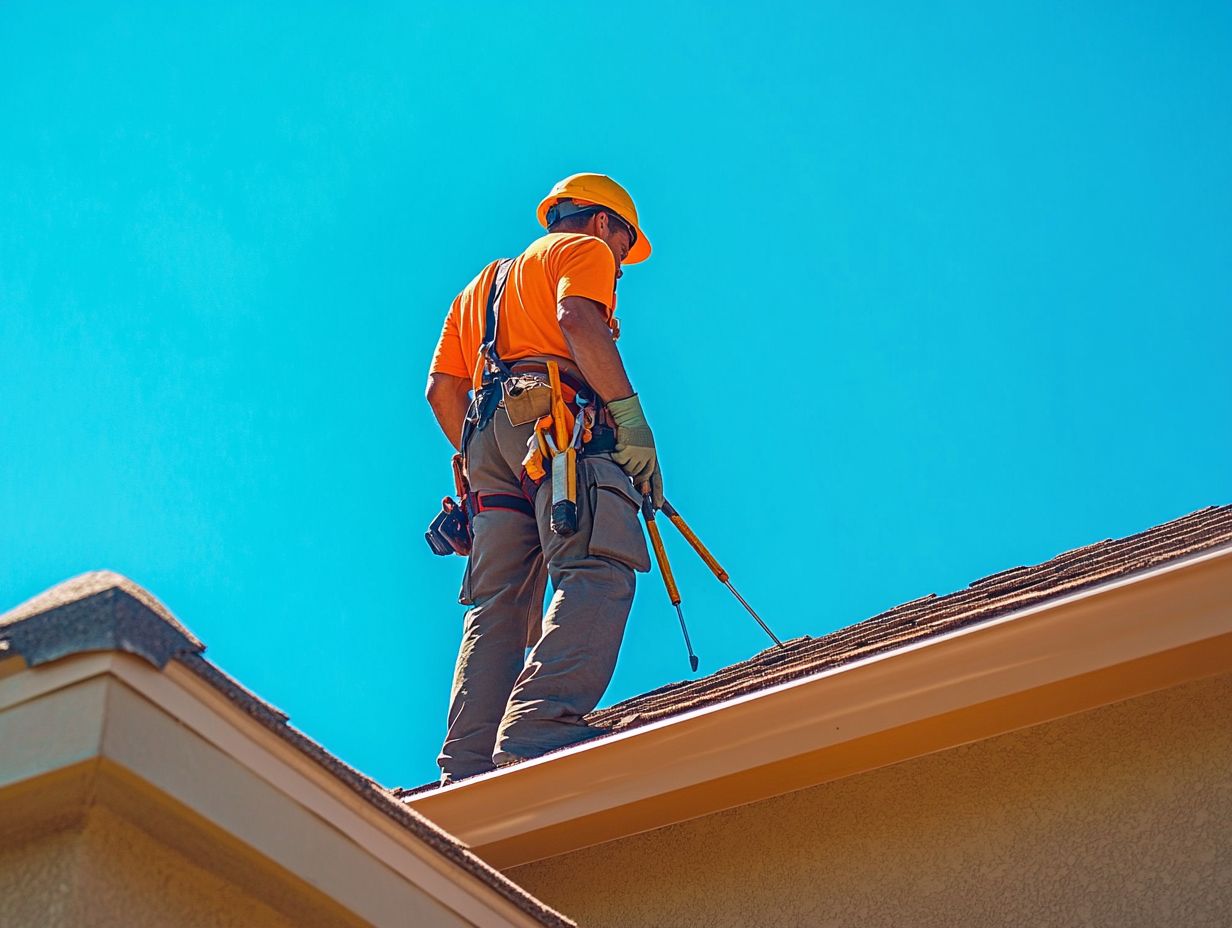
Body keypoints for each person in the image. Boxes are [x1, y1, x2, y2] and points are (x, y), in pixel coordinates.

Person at [425, 173, 661, 784]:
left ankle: (467, 765)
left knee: (497, 604)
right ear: (604, 223)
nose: (620, 265)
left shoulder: (483, 287)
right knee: (597, 566)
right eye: (623, 245)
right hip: (557, 426)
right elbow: (577, 319)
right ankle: (539, 723)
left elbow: (441, 389)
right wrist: (631, 422)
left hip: (487, 443)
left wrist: (487, 460)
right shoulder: (583, 251)